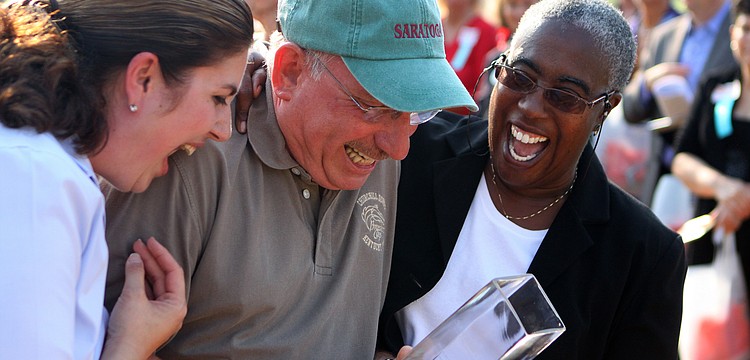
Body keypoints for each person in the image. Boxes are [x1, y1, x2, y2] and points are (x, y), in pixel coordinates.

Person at [101, 0, 478, 358]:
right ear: (289, 72)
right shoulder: (186, 155)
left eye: (415, 110)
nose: (398, 149)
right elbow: (103, 342)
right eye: (375, 105)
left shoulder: (371, 152)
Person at [377, 0, 687, 358]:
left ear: (605, 109)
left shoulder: (642, 254)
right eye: (520, 77)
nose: (531, 107)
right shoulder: (410, 153)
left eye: (565, 96)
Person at [0, 0, 254, 358]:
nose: (223, 130)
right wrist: (129, 347)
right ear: (143, 79)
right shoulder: (36, 181)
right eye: (217, 98)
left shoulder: (44, 170)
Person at [672, 0, 750, 299]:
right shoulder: (715, 84)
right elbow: (683, 156)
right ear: (732, 33)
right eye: (746, 29)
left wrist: (743, 200)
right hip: (713, 238)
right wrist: (725, 188)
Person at [622, 0, 735, 184]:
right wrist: (648, 82)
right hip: (666, 175)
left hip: (724, 180)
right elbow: (630, 109)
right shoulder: (664, 35)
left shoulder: (742, 32)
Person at [440, 0, 498, 115]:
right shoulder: (432, 26)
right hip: (426, 117)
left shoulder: (485, 30)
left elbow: (482, 89)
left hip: (462, 121)